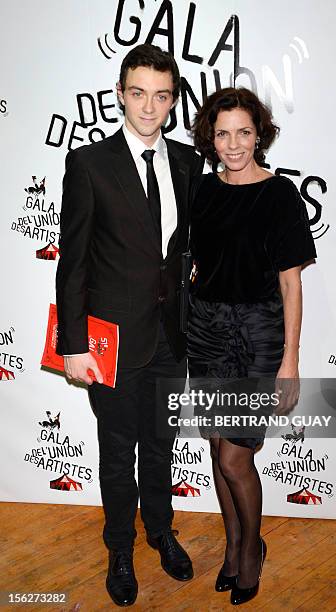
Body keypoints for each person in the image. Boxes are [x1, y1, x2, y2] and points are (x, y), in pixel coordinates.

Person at [55, 43, 202, 607]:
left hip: (172, 336)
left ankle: (160, 532)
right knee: (118, 450)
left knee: (162, 447)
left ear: (172, 100)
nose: (149, 106)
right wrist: (73, 345)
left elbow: (186, 247)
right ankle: (119, 547)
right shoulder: (90, 164)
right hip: (111, 341)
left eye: (161, 96)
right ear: (121, 94)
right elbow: (75, 262)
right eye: (138, 93)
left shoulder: (188, 164)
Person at [188, 87, 316, 606]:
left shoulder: (280, 194)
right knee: (220, 452)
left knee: (236, 458)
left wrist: (291, 358)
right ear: (210, 138)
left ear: (259, 133)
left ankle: (250, 552)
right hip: (207, 332)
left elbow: (291, 283)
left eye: (244, 131)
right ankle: (234, 543)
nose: (234, 143)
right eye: (223, 133)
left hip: (259, 336)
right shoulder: (202, 191)